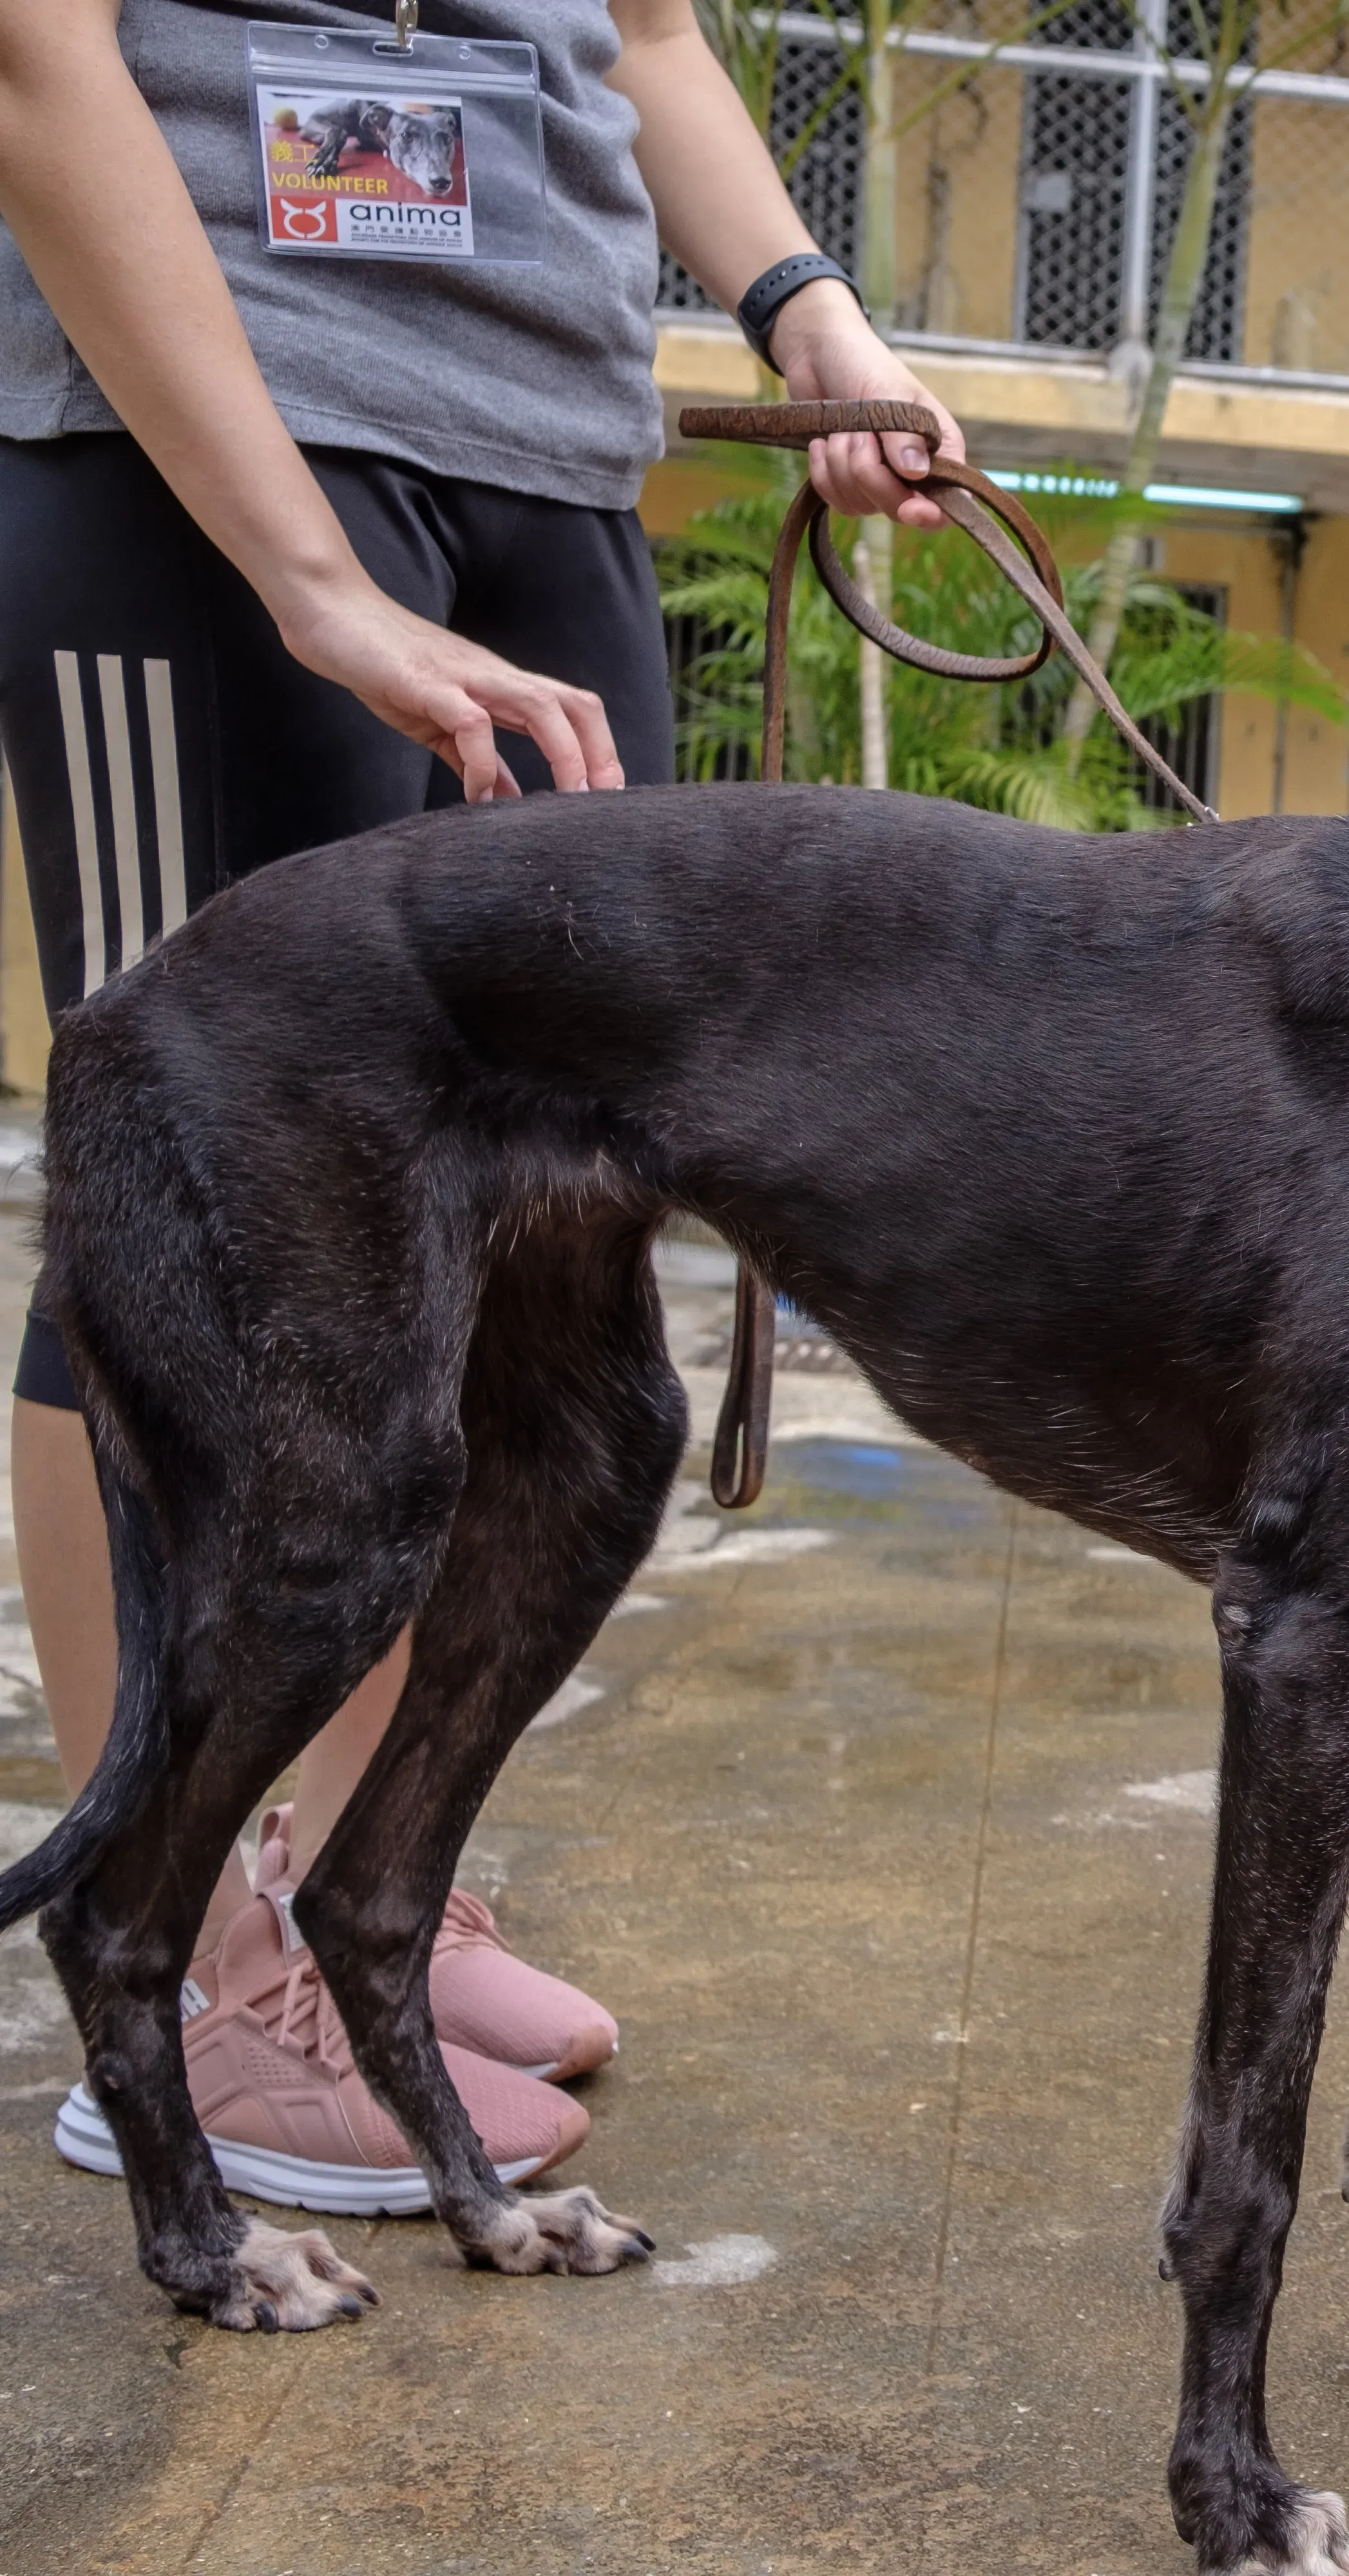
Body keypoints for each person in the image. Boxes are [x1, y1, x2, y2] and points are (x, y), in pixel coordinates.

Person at [0, 0, 967, 2215]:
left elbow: (636, 31)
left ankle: (362, 1886)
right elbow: (40, 62)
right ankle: (181, 1962)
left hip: (547, 450)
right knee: (206, 1236)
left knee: (518, 1243)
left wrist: (808, 314)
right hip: (205, 443)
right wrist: (311, 582)